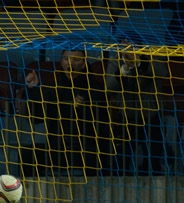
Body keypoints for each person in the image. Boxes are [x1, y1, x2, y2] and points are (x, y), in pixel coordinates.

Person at [21, 49, 107, 176]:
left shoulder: (96, 89)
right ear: (61, 62)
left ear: (84, 64)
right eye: (66, 59)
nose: (70, 63)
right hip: (57, 149)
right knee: (27, 154)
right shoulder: (52, 89)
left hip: (86, 149)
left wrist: (85, 108)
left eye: (76, 59)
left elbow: (102, 123)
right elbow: (35, 118)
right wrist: (34, 89)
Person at [105, 38, 169, 175]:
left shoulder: (152, 54)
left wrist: (139, 62)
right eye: (123, 44)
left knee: (154, 159)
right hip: (127, 118)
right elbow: (109, 86)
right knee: (122, 160)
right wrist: (126, 68)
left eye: (130, 44)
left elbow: (161, 72)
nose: (127, 47)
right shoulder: (115, 60)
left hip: (151, 116)